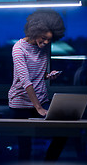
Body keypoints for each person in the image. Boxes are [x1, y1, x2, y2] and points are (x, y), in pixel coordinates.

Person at [8, 9, 67, 161]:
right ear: (34, 31)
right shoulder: (18, 49)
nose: (46, 42)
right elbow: (25, 80)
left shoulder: (44, 47)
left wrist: (48, 76)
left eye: (49, 40)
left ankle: (48, 162)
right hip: (20, 103)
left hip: (40, 99)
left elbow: (37, 75)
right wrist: (39, 108)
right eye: (44, 38)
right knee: (25, 147)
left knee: (63, 133)